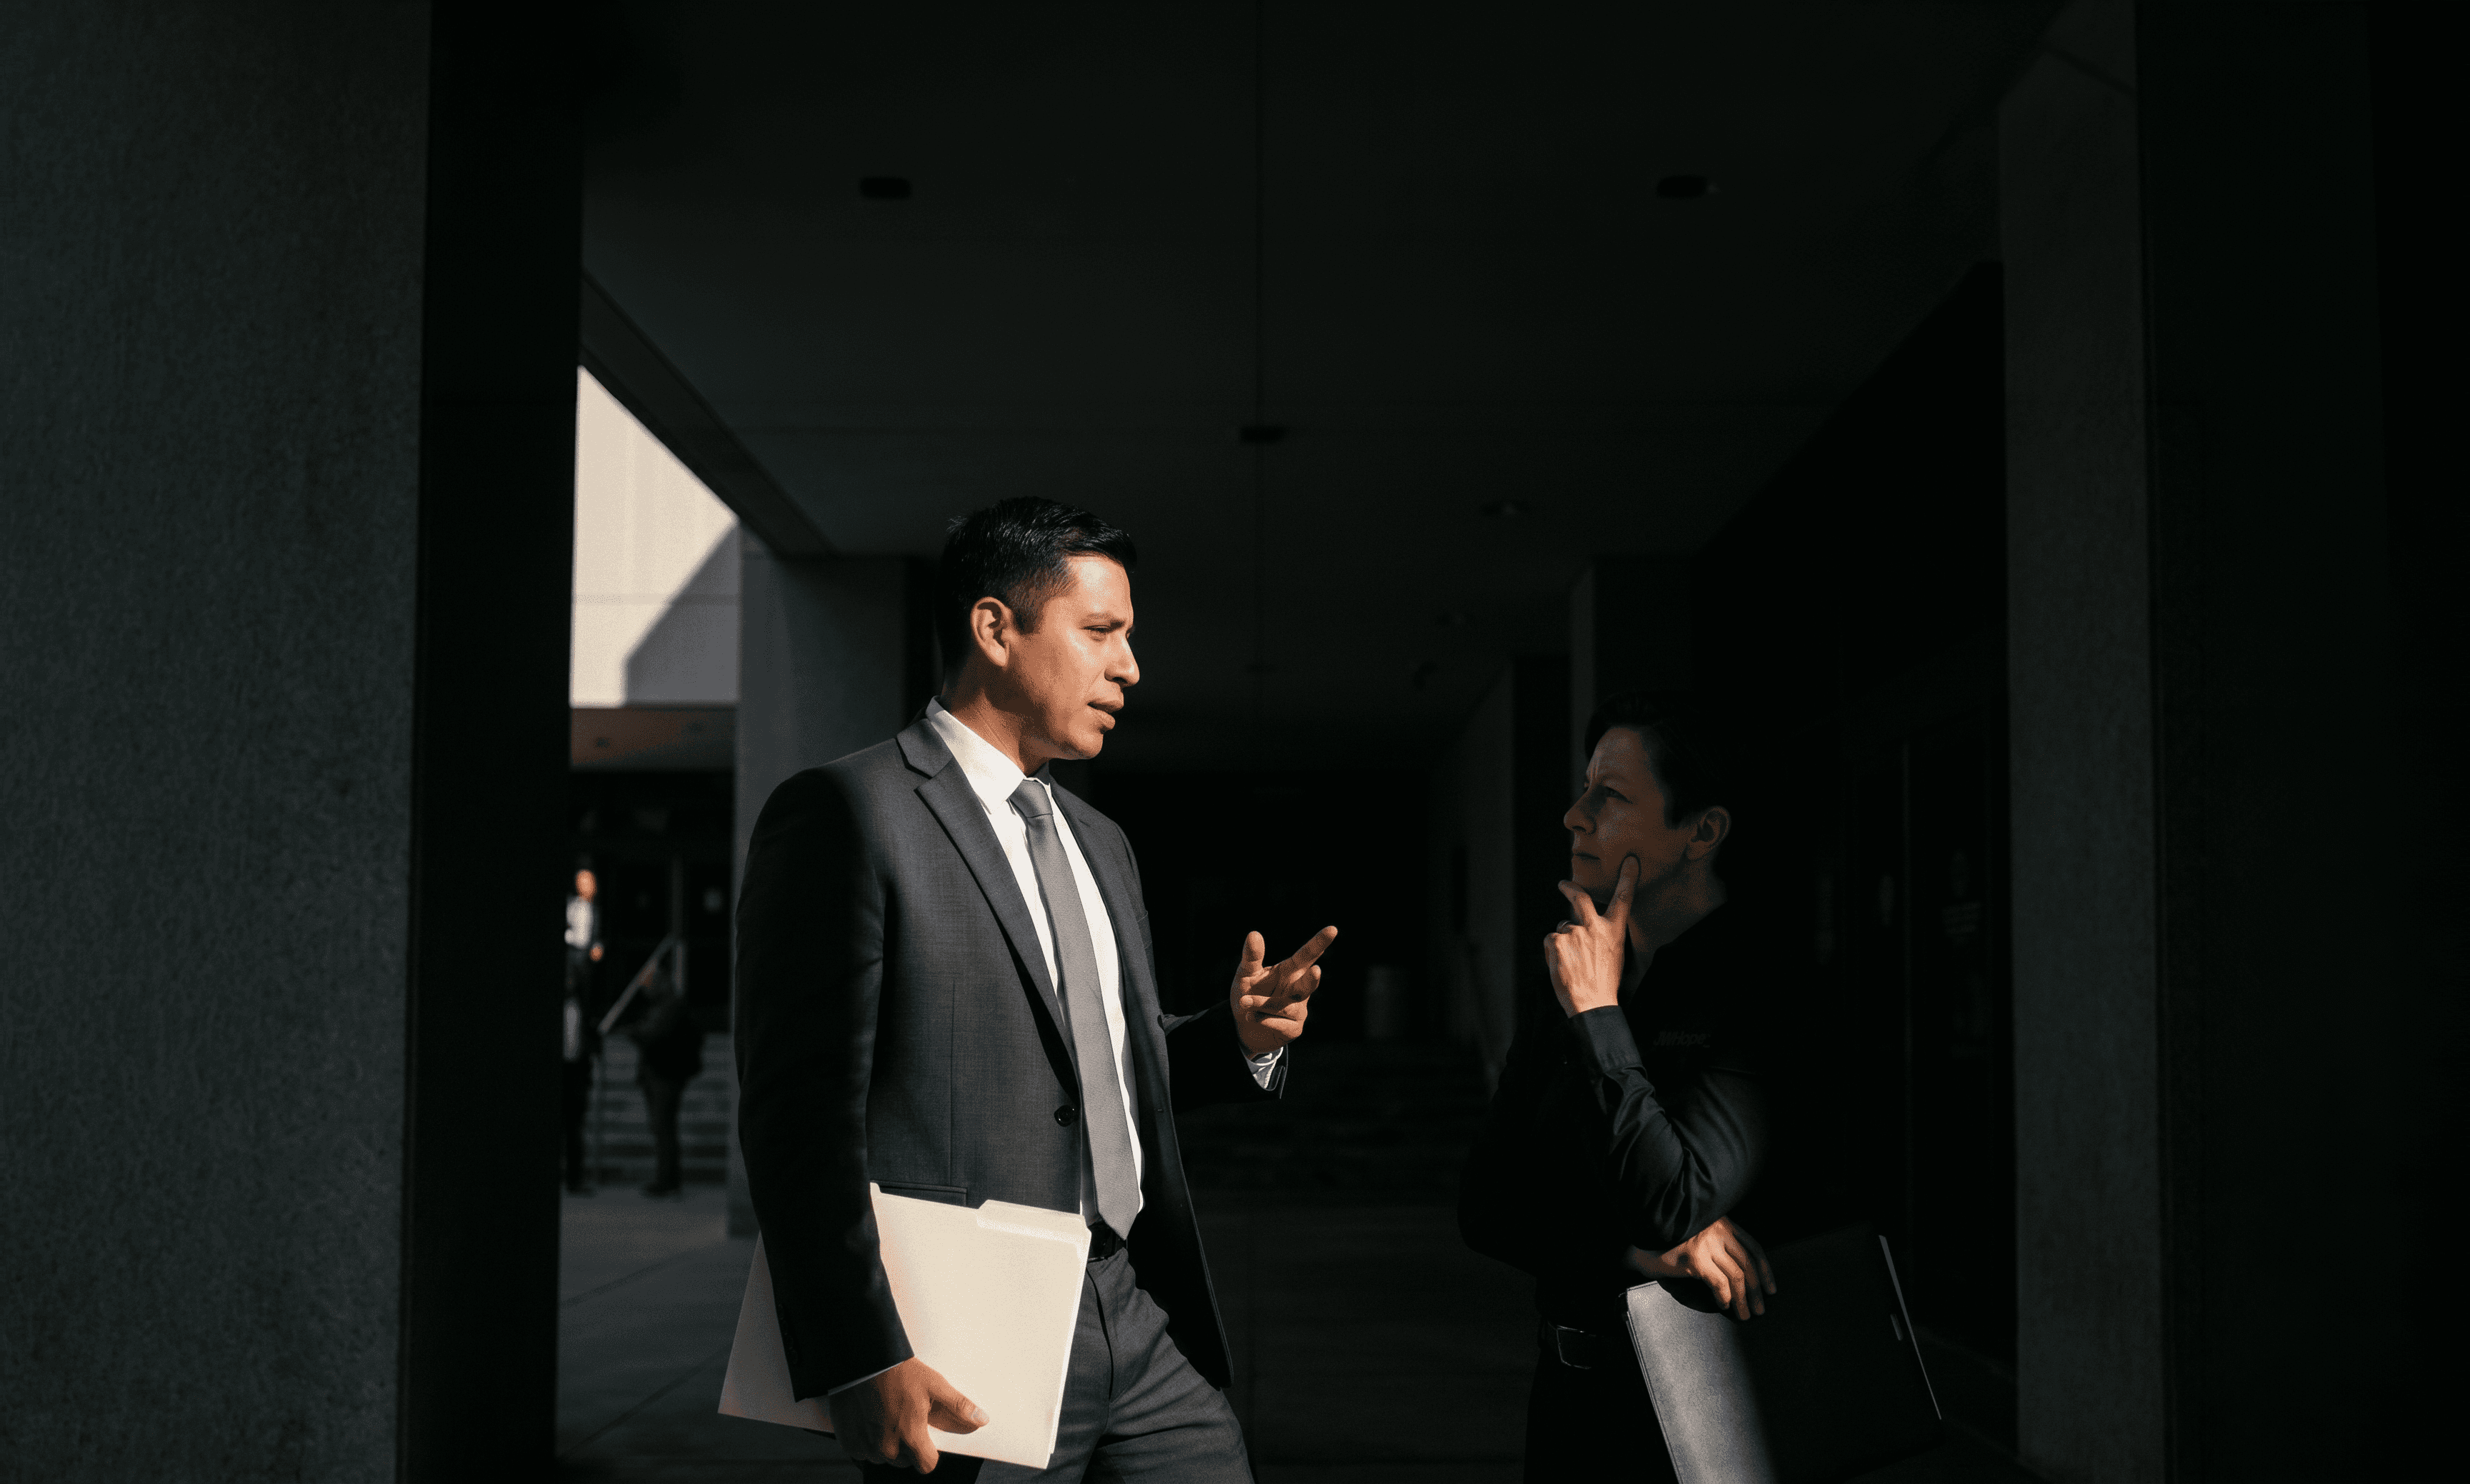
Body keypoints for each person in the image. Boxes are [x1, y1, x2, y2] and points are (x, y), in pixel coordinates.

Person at [735, 496, 1337, 1480]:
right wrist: (858, 1352)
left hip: (1140, 1313)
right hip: (968, 1336)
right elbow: (796, 1118)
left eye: (1128, 637)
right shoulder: (847, 813)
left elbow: (1093, 1078)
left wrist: (1234, 1037)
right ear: (994, 629)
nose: (1130, 667)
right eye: (1101, 631)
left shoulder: (1103, 844)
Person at [1459, 693, 1779, 1483]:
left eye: (1609, 796)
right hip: (1567, 1394)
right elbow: (1484, 1204)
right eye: (1582, 788)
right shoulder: (1569, 976)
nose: (1574, 815)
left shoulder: (1755, 987)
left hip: (1709, 1411)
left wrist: (1599, 1015)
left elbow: (1671, 1197)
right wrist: (1626, 1248)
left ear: (1701, 831)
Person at [629, 951, 704, 1198]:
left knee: (663, 1129)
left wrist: (637, 1033)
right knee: (663, 1128)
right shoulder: (667, 1006)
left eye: (650, 986)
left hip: (665, 1075)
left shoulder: (670, 1007)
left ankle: (667, 1179)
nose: (647, 992)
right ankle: (668, 1178)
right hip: (663, 1074)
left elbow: (655, 1036)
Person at [561, 868, 605, 1194]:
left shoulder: (581, 1012)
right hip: (567, 1072)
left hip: (575, 1072)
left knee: (574, 1128)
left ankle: (575, 1177)